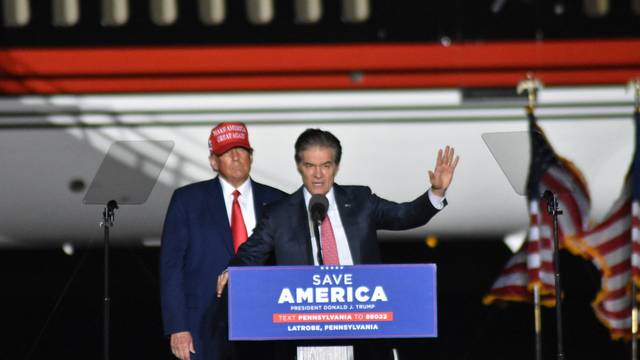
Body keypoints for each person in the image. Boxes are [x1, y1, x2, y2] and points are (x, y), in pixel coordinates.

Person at [216, 128, 459, 358]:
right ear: (299, 166)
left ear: (336, 167)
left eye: (326, 165)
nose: (318, 174)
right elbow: (251, 253)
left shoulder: (361, 200)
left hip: (364, 331)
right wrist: (233, 270)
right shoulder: (280, 213)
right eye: (310, 166)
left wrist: (435, 193)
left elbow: (404, 215)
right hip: (304, 336)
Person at [160, 122, 286, 360]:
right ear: (213, 162)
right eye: (227, 152)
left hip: (267, 322)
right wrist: (178, 326)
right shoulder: (187, 201)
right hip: (204, 326)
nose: (236, 157)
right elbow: (171, 267)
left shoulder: (280, 202)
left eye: (241, 150)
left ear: (251, 156)